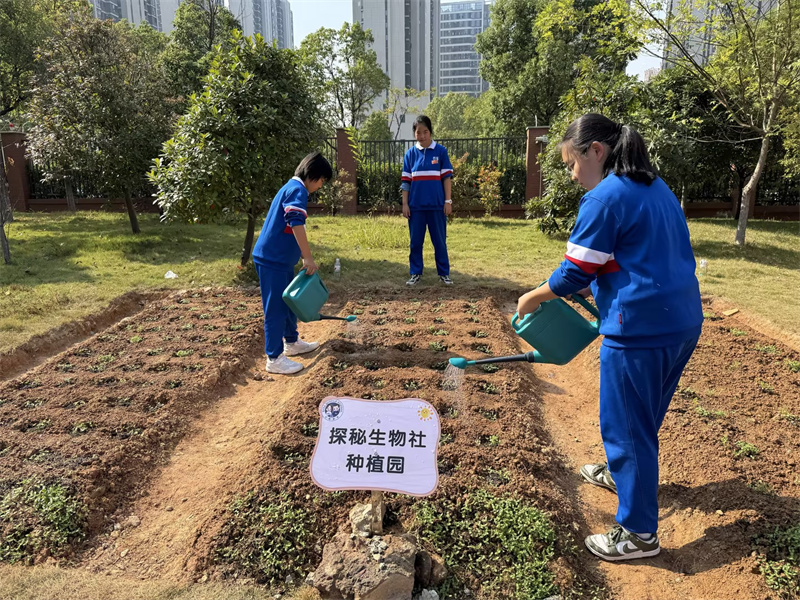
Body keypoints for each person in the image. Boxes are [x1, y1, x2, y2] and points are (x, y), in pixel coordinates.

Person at [516, 114, 703, 561]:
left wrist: (533, 297)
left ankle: (639, 534)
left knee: (627, 427)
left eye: (570, 163)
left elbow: (575, 271)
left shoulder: (604, 198)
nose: (571, 173)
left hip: (638, 328)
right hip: (680, 322)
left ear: (595, 151)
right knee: (644, 417)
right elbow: (639, 254)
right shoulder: (657, 188)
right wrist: (594, 281)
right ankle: (624, 477)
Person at [252, 151, 332, 375]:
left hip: (280, 259)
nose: (320, 186)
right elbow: (295, 221)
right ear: (313, 176)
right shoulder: (297, 190)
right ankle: (274, 358)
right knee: (275, 308)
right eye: (322, 181)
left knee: (288, 303)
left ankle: (292, 342)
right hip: (271, 259)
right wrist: (307, 257)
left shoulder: (292, 187)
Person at [401, 115, 454, 286]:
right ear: (414, 134)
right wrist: (405, 204)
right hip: (416, 207)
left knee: (439, 241)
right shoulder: (410, 154)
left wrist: (448, 201)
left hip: (437, 206)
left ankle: (444, 274)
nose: (422, 136)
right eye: (418, 132)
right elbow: (406, 182)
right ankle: (415, 273)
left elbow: (447, 179)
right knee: (415, 242)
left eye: (425, 132)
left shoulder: (441, 152)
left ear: (430, 132)